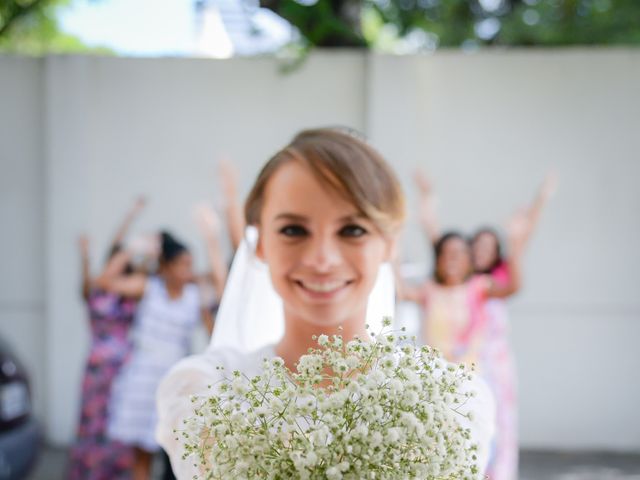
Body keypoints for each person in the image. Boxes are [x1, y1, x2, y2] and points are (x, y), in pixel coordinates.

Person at [155, 128, 496, 479]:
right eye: (293, 230)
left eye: (352, 230)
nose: (322, 260)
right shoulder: (204, 393)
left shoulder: (452, 402)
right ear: (259, 242)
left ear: (390, 243)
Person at [412, 170, 556, 480]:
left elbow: (522, 247)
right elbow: (435, 236)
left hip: (491, 361)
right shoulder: (453, 283)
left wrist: (538, 202)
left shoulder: (492, 280)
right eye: (477, 246)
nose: (481, 252)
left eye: (489, 248)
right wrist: (427, 198)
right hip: (463, 361)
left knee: (498, 425)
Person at [100, 214, 226, 480]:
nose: (188, 271)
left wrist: (212, 240)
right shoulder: (149, 288)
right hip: (142, 379)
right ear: (166, 267)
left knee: (177, 455)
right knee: (141, 458)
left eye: (191, 264)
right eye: (183, 264)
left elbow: (216, 332)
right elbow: (105, 281)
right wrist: (134, 248)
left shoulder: (195, 296)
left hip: (174, 381)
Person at [68, 197, 146, 480]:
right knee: (93, 423)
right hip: (98, 367)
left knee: (119, 424)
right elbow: (112, 253)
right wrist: (87, 255)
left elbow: (118, 249)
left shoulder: (128, 288)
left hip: (124, 366)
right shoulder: (96, 288)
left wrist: (131, 217)